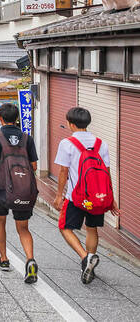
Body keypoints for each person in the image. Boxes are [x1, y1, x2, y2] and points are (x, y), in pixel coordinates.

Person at [52, 107, 119, 284]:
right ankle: (90, 260)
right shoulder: (100, 143)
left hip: (76, 197)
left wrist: (59, 195)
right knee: (92, 229)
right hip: (98, 196)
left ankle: (85, 258)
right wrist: (110, 198)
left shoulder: (67, 143)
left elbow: (63, 172)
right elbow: (107, 171)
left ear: (71, 124)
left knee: (64, 227)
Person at [0, 103, 39, 284]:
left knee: (0, 221)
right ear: (17, 118)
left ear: (0, 119)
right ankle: (30, 259)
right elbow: (34, 166)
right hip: (23, 188)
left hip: (2, 187)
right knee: (23, 227)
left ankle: (4, 259)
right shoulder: (26, 138)